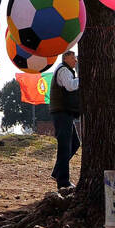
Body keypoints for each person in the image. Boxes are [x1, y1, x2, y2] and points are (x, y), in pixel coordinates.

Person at [48, 50, 81, 189]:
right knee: (65, 147)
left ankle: (57, 171)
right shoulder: (64, 71)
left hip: (65, 113)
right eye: (73, 57)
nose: (75, 60)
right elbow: (70, 86)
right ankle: (63, 182)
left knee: (74, 144)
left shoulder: (67, 70)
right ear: (65, 57)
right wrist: (83, 77)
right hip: (61, 113)